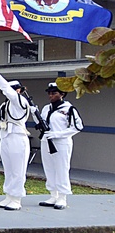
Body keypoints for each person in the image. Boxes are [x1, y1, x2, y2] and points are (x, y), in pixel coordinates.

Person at [0, 59, 29, 210]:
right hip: (6, 137)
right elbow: (3, 119)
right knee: (8, 169)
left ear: (18, 90)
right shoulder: (5, 105)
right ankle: (9, 196)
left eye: (13, 89)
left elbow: (5, 88)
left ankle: (16, 199)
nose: (10, 92)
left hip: (18, 137)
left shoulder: (20, 101)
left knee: (18, 170)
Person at [38, 82, 84, 210]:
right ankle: (53, 195)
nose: (51, 95)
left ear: (62, 94)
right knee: (49, 168)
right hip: (46, 141)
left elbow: (78, 127)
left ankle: (62, 197)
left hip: (61, 142)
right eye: (49, 93)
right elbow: (41, 122)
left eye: (54, 93)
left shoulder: (69, 109)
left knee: (62, 169)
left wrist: (58, 134)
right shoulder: (46, 108)